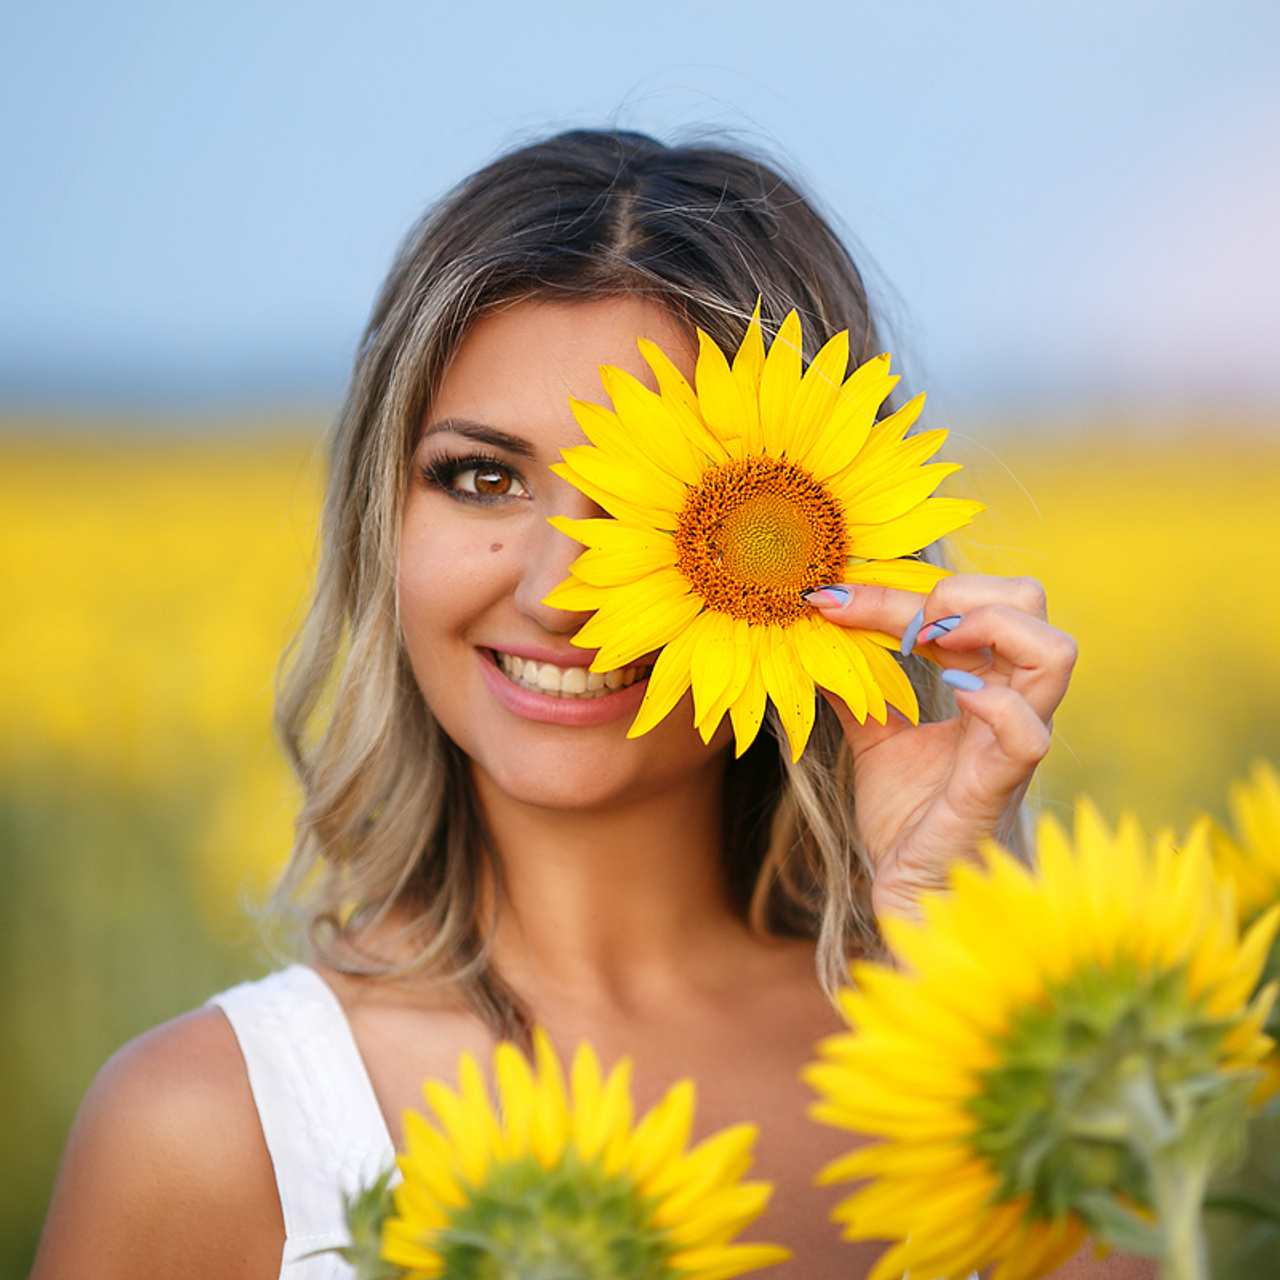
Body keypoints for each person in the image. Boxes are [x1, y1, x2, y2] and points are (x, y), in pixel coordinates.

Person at [29, 129, 1141, 1280]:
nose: (557, 589)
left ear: (821, 549)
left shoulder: (990, 1073)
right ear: (383, 524)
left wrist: (969, 944)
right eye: (482, 478)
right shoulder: (210, 1128)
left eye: (639, 503)